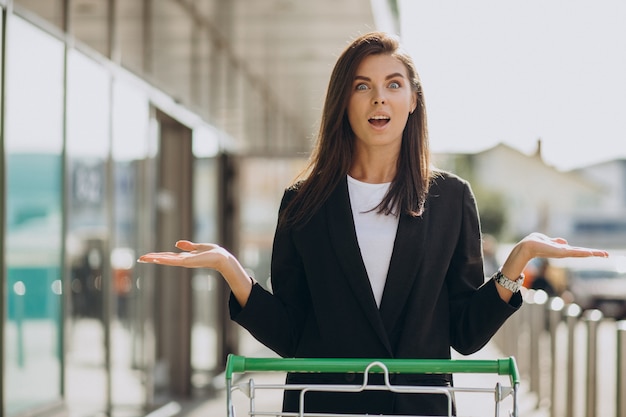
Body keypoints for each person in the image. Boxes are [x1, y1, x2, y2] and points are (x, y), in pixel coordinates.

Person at [139, 32, 608, 416]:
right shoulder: (304, 202)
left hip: (421, 408)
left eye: (393, 85)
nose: (378, 98)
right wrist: (230, 269)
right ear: (343, 102)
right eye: (362, 86)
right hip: (323, 409)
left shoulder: (450, 199)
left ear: (412, 101)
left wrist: (517, 261)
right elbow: (290, 332)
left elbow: (465, 333)